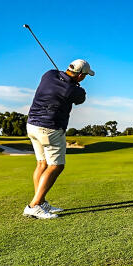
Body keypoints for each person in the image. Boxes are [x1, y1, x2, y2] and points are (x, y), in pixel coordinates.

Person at [23, 58, 91, 218]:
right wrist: (75, 86)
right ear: (80, 75)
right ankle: (35, 205)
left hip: (31, 125)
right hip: (49, 129)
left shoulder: (49, 74)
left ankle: (41, 201)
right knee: (56, 166)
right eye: (85, 76)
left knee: (42, 164)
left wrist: (70, 82)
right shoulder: (73, 90)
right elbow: (81, 98)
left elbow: (59, 79)